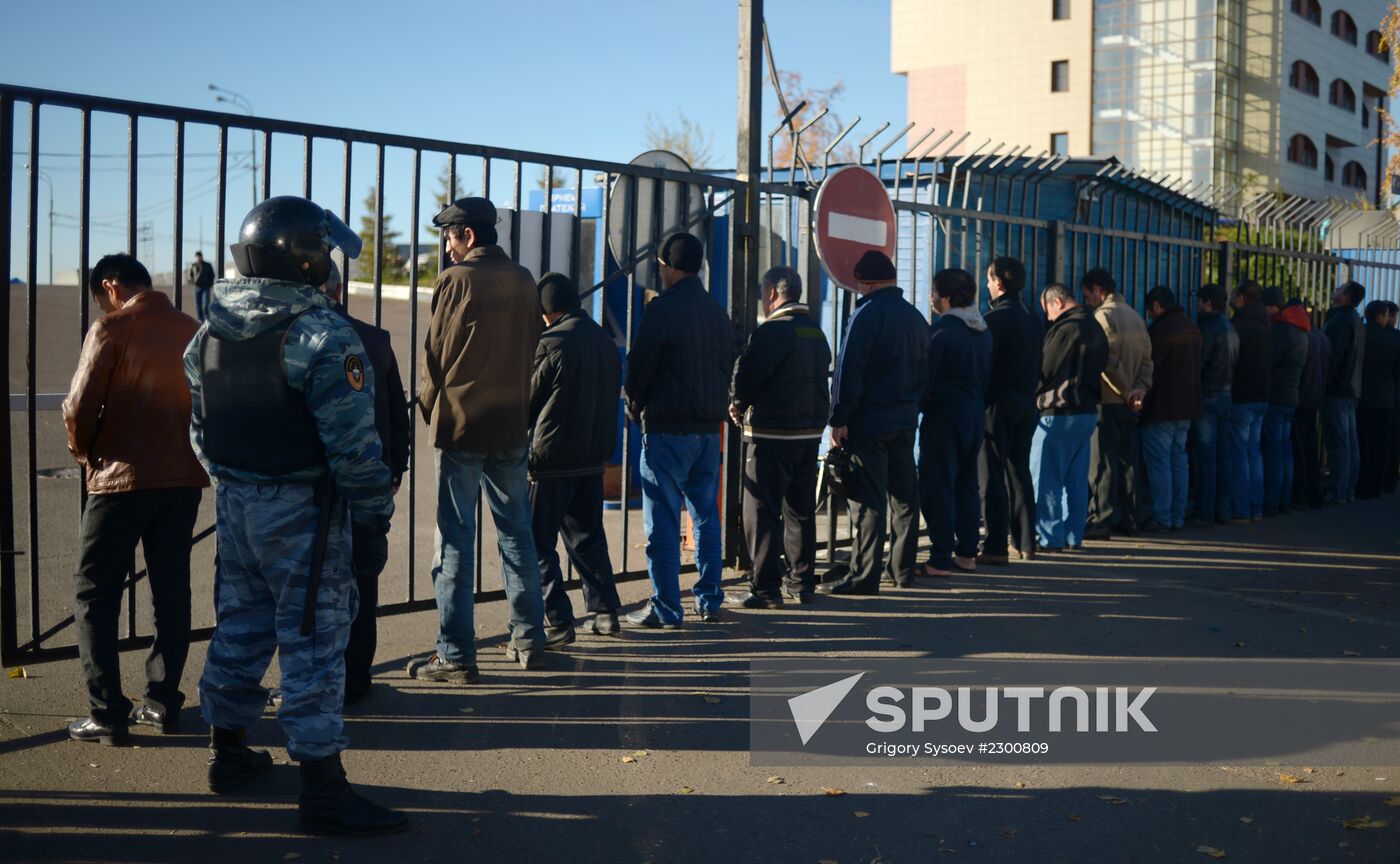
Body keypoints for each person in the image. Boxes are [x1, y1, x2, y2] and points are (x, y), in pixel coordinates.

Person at [187, 196, 404, 834]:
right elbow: (356, 452)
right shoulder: (321, 335)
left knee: (241, 629)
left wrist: (240, 486)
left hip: (237, 506)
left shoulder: (209, 331)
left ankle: (226, 754)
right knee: (312, 643)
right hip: (305, 512)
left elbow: (201, 433)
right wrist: (372, 525)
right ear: (304, 260)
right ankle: (324, 793)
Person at [62, 254, 207, 746]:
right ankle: (163, 702)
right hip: (182, 479)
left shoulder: (111, 328)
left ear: (110, 286)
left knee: (95, 593)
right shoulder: (193, 328)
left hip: (120, 481)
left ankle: (106, 713)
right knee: (171, 589)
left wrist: (87, 455)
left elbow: (80, 407)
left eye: (101, 297)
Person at [415, 197, 546, 675]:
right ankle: (529, 639)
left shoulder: (456, 281)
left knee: (454, 540)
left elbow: (436, 356)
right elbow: (534, 345)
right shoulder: (525, 279)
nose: (447, 247)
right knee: (517, 534)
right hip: (511, 423)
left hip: (463, 427)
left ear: (468, 235)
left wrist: (431, 409)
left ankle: (455, 652)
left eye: (449, 236)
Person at [623, 232, 736, 625]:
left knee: (665, 523)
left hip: (667, 430)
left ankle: (667, 607)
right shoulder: (716, 312)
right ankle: (709, 599)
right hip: (707, 431)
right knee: (705, 517)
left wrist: (633, 406)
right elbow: (728, 366)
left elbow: (638, 370)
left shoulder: (661, 310)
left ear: (669, 266)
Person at [320, 262, 409, 705]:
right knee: (362, 580)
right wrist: (395, 468)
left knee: (314, 584)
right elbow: (396, 411)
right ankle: (356, 678)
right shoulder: (374, 338)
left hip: (316, 487)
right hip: (368, 480)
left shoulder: (296, 338)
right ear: (339, 290)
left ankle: (321, 682)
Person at [819, 250, 927, 594]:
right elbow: (927, 371)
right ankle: (902, 570)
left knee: (868, 501)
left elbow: (849, 369)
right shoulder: (915, 317)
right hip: (906, 420)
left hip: (869, 422)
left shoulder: (865, 315)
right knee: (905, 499)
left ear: (865, 282)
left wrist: (839, 418)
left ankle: (865, 576)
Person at [528, 272, 625, 640]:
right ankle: (605, 612)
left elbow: (529, 399)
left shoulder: (551, 342)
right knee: (587, 535)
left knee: (536, 541)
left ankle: (557, 620)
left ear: (547, 311)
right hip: (592, 455)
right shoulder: (602, 340)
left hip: (552, 459)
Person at [728, 266, 831, 606]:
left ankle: (765, 588)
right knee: (800, 512)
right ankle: (802, 584)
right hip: (808, 433)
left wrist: (737, 403)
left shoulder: (772, 330)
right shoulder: (815, 331)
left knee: (762, 511)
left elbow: (749, 375)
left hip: (771, 433)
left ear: (772, 292)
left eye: (762, 291)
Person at [919, 268, 992, 576]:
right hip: (974, 413)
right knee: (966, 484)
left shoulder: (941, 333)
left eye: (934, 292)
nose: (932, 298)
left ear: (946, 298)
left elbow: (925, 382)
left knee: (939, 486)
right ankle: (967, 554)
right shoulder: (983, 331)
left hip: (944, 416)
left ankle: (939, 558)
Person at [1032, 283, 1108, 552]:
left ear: (1058, 302)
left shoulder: (1066, 328)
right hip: (1087, 411)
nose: (1048, 317)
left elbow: (1046, 368)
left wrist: (1032, 392)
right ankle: (1073, 535)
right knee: (1076, 480)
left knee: (1047, 478)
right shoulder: (1095, 325)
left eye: (1047, 311)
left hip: (1059, 412)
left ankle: (1048, 537)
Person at [978, 256, 1043, 564]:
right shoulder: (1033, 317)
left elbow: (984, 366)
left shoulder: (993, 320)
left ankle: (994, 546)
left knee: (991, 474)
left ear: (999, 283)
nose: (987, 285)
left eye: (989, 280)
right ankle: (1027, 541)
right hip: (1026, 402)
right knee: (1019, 472)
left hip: (996, 403)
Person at [1080, 268, 1152, 540]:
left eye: (1088, 295)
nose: (1086, 301)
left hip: (1109, 399)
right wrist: (1140, 390)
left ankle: (1102, 518)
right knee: (1128, 460)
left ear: (1099, 290)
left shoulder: (1102, 317)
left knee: (1103, 463)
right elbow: (1147, 357)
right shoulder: (1135, 316)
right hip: (1131, 402)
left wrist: (1126, 391)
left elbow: (1107, 362)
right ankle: (1131, 516)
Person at [1138, 286, 1202, 532]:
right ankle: (1176, 516)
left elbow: (1150, 371)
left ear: (1156, 305)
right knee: (1178, 461)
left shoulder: (1160, 331)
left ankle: (1162, 517)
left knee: (1160, 463)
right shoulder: (1192, 327)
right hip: (1187, 407)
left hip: (1162, 407)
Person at [1191, 283, 1238, 524]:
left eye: (1199, 301)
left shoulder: (1207, 328)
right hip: (1226, 394)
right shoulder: (1230, 326)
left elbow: (1198, 363)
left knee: (1205, 458)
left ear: (1208, 303)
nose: (1196, 305)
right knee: (1223, 456)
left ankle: (1205, 511)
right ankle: (1223, 509)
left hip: (1208, 394)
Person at [1227, 280, 1272, 522]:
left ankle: (1242, 508)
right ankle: (1256, 506)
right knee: (1254, 452)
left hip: (1242, 394)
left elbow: (1232, 360)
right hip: (1263, 395)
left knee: (1240, 453)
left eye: (1234, 295)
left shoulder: (1239, 324)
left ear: (1242, 298)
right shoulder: (1266, 322)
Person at [1262, 287, 1308, 516]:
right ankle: (1284, 500)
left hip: (1277, 395)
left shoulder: (1281, 329)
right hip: (1292, 395)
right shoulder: (1301, 328)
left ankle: (1271, 501)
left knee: (1273, 451)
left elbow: (1269, 362)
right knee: (1284, 449)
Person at [1321, 281, 1367, 504]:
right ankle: (1347, 489)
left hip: (1338, 390)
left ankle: (1337, 490)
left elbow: (1334, 356)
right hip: (1352, 389)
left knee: (1339, 443)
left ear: (1346, 297)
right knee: (1349, 442)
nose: (1335, 289)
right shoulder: (1356, 320)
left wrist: (1327, 381)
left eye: (1339, 288)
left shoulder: (1340, 321)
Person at [1356, 300, 1400, 499]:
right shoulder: (1394, 340)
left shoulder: (1362, 334)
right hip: (1385, 398)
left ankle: (1361, 482)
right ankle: (1377, 484)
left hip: (1363, 395)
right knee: (1381, 443)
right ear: (1382, 316)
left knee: (1362, 440)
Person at [1291, 299, 1330, 509]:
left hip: (1300, 398)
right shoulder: (1323, 338)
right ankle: (1314, 493)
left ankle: (1300, 494)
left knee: (1298, 449)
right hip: (1315, 399)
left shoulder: (1302, 337)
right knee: (1311, 448)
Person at [1387, 301, 1400, 495]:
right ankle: (1390, 479)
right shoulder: (1397, 338)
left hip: (1377, 395)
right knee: (1393, 439)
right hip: (1395, 395)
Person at [187, 250, 215, 321]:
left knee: (206, 304)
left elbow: (212, 274)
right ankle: (200, 319)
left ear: (202, 257)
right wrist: (192, 283)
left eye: (199, 256)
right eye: (197, 256)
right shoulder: (193, 265)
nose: (198, 258)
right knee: (198, 304)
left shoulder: (207, 265)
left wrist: (210, 283)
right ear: (195, 257)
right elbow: (190, 276)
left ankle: (206, 319)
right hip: (197, 287)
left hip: (206, 287)